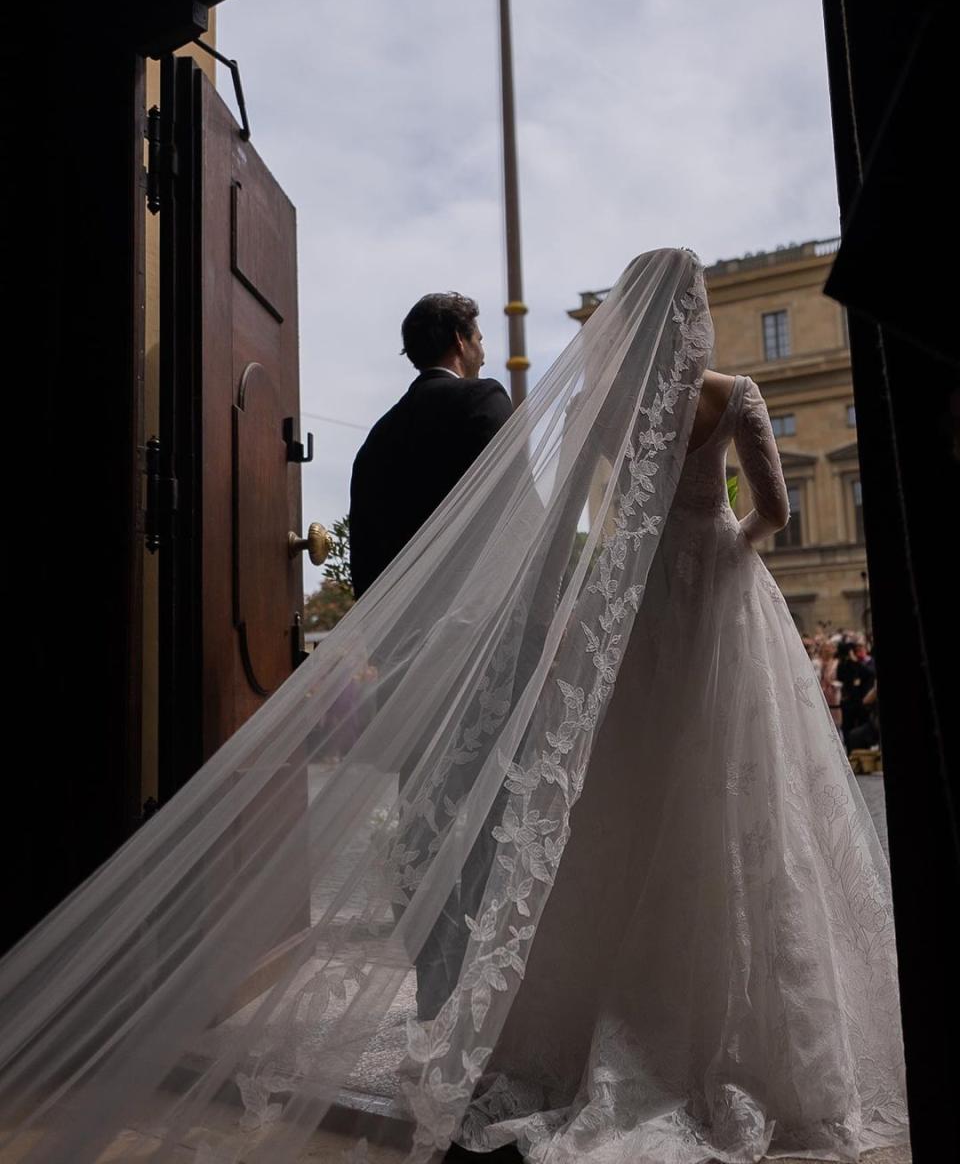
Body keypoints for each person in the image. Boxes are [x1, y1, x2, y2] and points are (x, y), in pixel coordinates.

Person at [0, 250, 907, 1164]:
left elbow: (397, 560)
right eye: (478, 334)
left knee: (451, 820)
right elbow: (542, 528)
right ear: (466, 341)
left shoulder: (382, 439)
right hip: (554, 635)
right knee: (594, 808)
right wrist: (623, 595)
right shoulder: (501, 407)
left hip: (420, 656)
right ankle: (495, 995)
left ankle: (453, 994)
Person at [349, 291, 513, 600]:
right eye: (479, 340)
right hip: (475, 618)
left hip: (397, 634)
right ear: (459, 341)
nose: (483, 354)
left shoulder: (377, 438)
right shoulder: (482, 399)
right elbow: (517, 509)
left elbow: (363, 553)